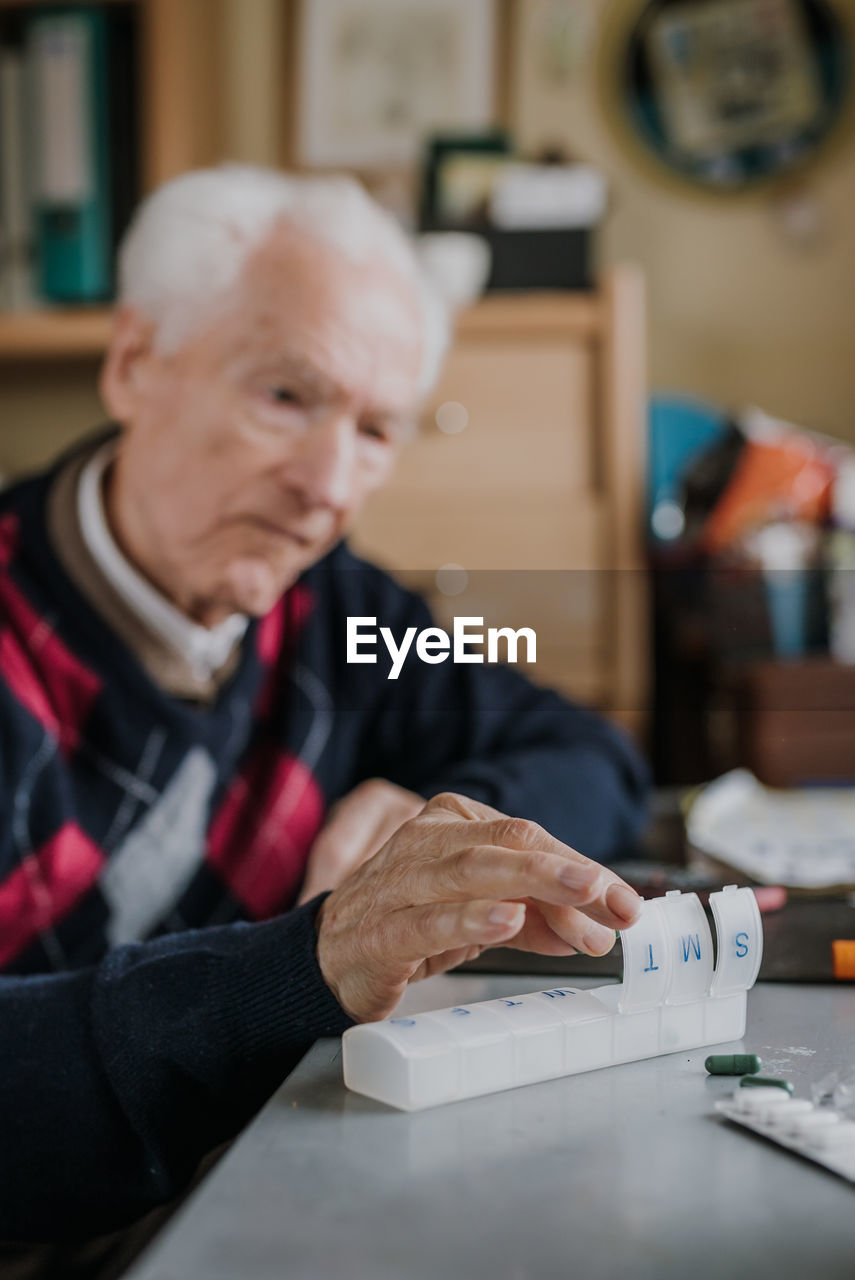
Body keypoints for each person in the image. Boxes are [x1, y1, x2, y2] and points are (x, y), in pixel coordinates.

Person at [0, 166, 648, 1243]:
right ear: (132, 365)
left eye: (378, 430)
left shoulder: (337, 607)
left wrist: (441, 824)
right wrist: (312, 961)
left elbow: (582, 751)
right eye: (287, 396)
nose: (329, 485)